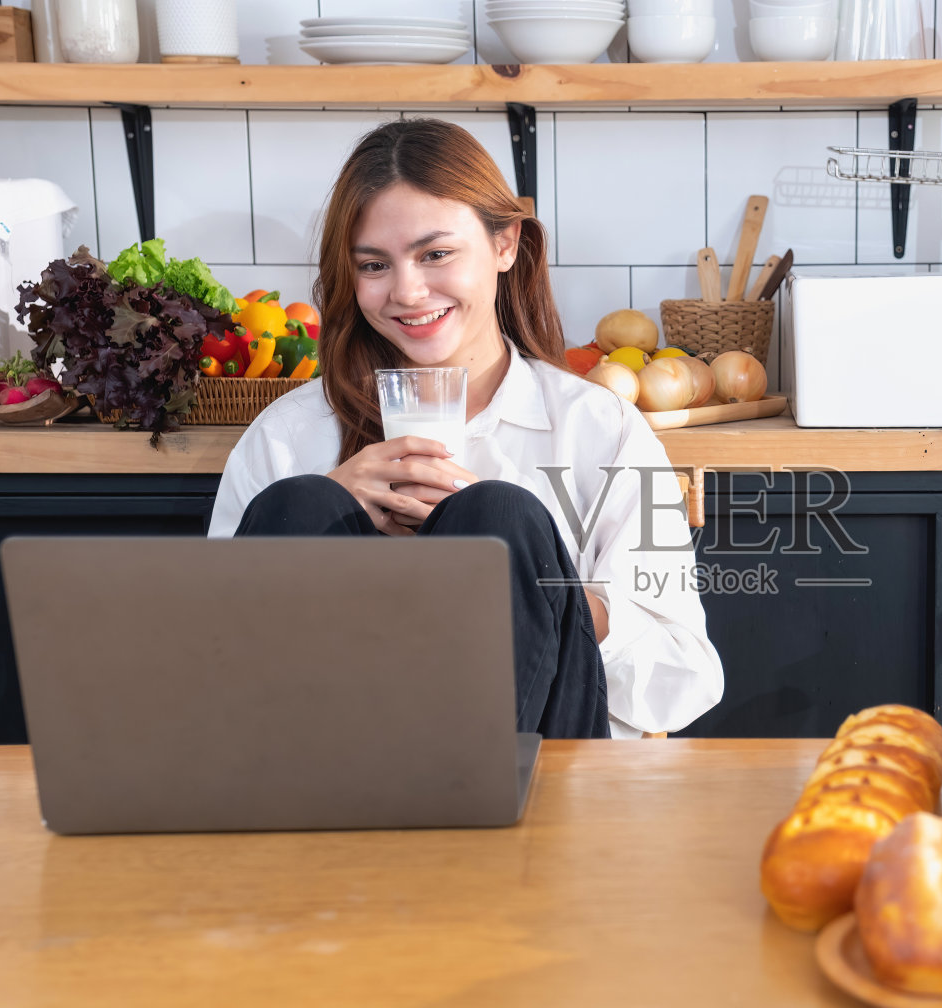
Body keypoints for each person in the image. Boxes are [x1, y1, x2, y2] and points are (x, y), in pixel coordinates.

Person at [208, 118, 724, 740]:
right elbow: (212, 669)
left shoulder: (597, 430)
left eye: (436, 254)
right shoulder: (289, 436)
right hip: (331, 786)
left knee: (502, 520)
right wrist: (335, 523)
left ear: (505, 245)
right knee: (301, 504)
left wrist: (545, 596)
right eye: (374, 264)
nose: (407, 291)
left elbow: (684, 676)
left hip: (535, 799)